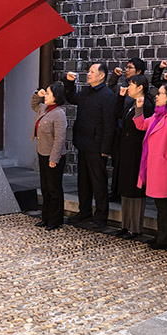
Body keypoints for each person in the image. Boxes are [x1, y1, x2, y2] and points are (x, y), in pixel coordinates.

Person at [64, 63, 117, 229]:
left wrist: (106, 149)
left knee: (98, 183)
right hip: (83, 142)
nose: (88, 74)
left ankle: (101, 216)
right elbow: (71, 98)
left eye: (92, 71)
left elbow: (110, 124)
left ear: (101, 75)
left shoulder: (108, 95)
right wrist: (69, 83)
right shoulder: (86, 91)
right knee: (83, 182)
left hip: (97, 146)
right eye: (88, 71)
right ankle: (84, 211)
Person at [133, 83, 167, 250]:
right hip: (154, 165)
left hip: (164, 167)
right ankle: (162, 235)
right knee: (159, 203)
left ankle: (165, 238)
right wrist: (139, 108)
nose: (157, 96)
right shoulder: (157, 116)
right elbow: (141, 125)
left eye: (161, 93)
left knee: (163, 204)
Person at [114, 75, 154, 239]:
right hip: (126, 150)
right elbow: (118, 114)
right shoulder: (131, 103)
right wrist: (120, 97)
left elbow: (145, 128)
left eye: (131, 85)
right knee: (125, 186)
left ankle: (135, 227)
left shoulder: (146, 105)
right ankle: (125, 224)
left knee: (135, 189)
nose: (129, 87)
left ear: (140, 87)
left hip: (137, 151)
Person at [108, 58, 146, 203]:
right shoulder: (126, 88)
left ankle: (122, 193)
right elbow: (112, 90)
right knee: (118, 165)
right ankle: (116, 191)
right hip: (121, 133)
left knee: (128, 169)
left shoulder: (140, 99)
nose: (127, 70)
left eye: (130, 68)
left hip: (131, 138)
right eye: (126, 67)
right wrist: (115, 77)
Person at [31, 82, 68, 230]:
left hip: (54, 156)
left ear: (56, 96)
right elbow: (34, 105)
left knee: (54, 189)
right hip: (42, 152)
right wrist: (37, 94)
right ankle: (45, 218)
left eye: (48, 93)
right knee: (45, 188)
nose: (46, 95)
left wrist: (54, 159)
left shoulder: (59, 113)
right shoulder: (44, 108)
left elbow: (60, 138)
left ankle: (55, 220)